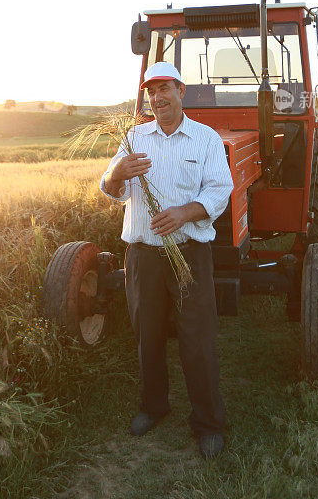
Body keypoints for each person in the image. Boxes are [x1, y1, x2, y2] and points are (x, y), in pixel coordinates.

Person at [100, 61, 234, 459]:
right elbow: (111, 189)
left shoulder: (205, 140)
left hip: (190, 255)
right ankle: (153, 407)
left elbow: (219, 190)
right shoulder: (133, 138)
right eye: (151, 91)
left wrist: (184, 213)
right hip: (142, 257)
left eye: (165, 89)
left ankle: (208, 422)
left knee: (198, 339)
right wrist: (116, 173)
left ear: (181, 91)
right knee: (148, 337)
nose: (157, 98)